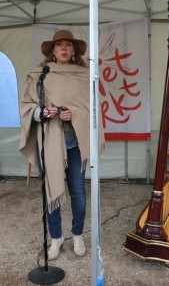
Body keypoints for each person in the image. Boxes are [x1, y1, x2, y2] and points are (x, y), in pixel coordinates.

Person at [19, 30, 104, 261]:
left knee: (77, 191)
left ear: (74, 50)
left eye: (68, 45)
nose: (64, 48)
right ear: (52, 50)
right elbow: (27, 104)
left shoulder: (85, 75)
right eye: (59, 45)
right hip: (49, 142)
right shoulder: (41, 75)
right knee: (51, 191)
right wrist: (40, 112)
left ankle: (77, 234)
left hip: (75, 144)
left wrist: (73, 114)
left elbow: (93, 110)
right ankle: (55, 237)